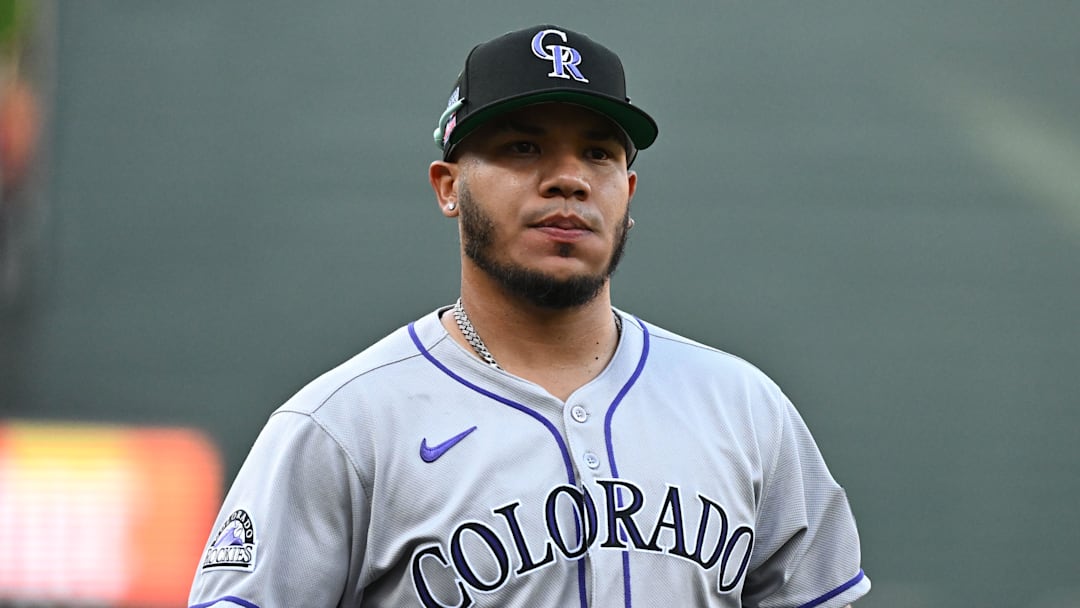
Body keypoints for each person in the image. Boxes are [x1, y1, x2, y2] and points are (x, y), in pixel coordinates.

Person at [188, 24, 870, 608]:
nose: (568, 177)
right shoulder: (343, 428)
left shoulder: (744, 408)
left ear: (627, 193)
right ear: (448, 187)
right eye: (523, 148)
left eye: (598, 153)